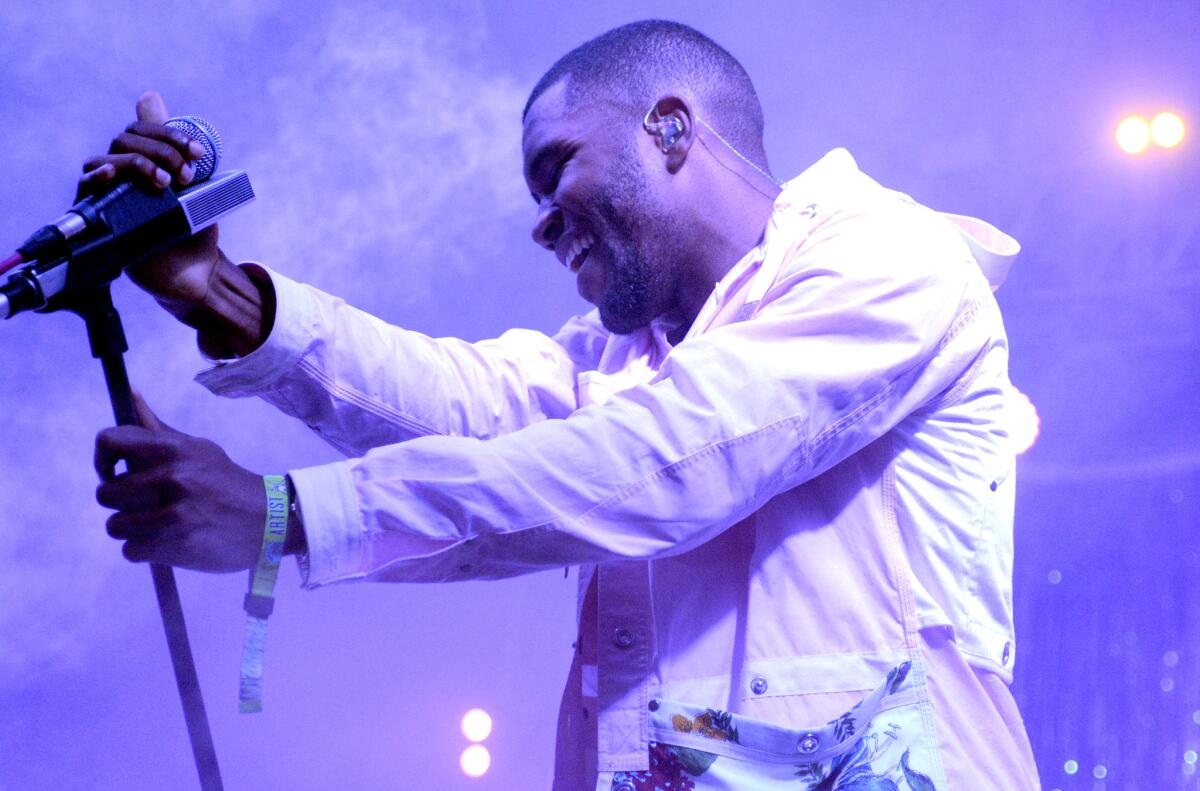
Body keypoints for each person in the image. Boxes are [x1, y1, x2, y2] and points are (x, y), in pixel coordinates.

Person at [87, 20, 1040, 790]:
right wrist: (219, 292)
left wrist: (282, 514)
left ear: (670, 128)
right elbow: (468, 409)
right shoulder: (630, 358)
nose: (541, 224)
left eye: (557, 169)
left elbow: (665, 463)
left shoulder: (887, 261)